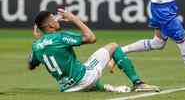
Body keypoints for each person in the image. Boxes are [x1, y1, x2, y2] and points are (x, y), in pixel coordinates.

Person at [28, 9, 160, 92]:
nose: (57, 19)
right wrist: (74, 18)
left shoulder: (36, 46)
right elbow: (91, 38)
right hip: (83, 79)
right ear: (50, 24)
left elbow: (31, 66)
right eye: (54, 18)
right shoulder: (60, 36)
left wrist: (39, 39)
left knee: (83, 66)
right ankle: (138, 83)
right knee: (113, 46)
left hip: (67, 88)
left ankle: (107, 88)